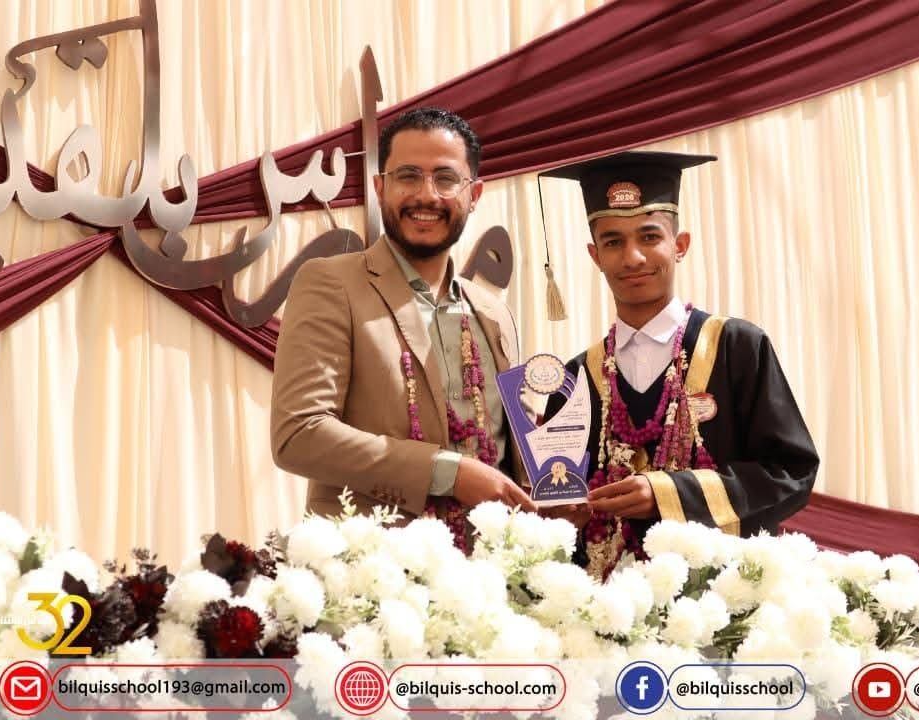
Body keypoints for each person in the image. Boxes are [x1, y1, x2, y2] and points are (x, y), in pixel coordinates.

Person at [541, 151, 818, 578]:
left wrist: (670, 493)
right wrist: (562, 514)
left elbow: (791, 473)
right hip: (609, 599)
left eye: (649, 237)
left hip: (720, 595)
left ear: (680, 245)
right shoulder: (576, 378)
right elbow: (559, 501)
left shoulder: (737, 348)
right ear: (595, 256)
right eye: (613, 242)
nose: (633, 257)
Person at [271, 107, 533, 545]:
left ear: (474, 194)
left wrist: (551, 493)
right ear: (380, 188)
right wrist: (447, 472)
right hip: (376, 568)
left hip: (491, 567)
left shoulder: (493, 312)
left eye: (446, 179)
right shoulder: (333, 284)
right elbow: (299, 434)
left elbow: (508, 449)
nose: (426, 195)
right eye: (408, 176)